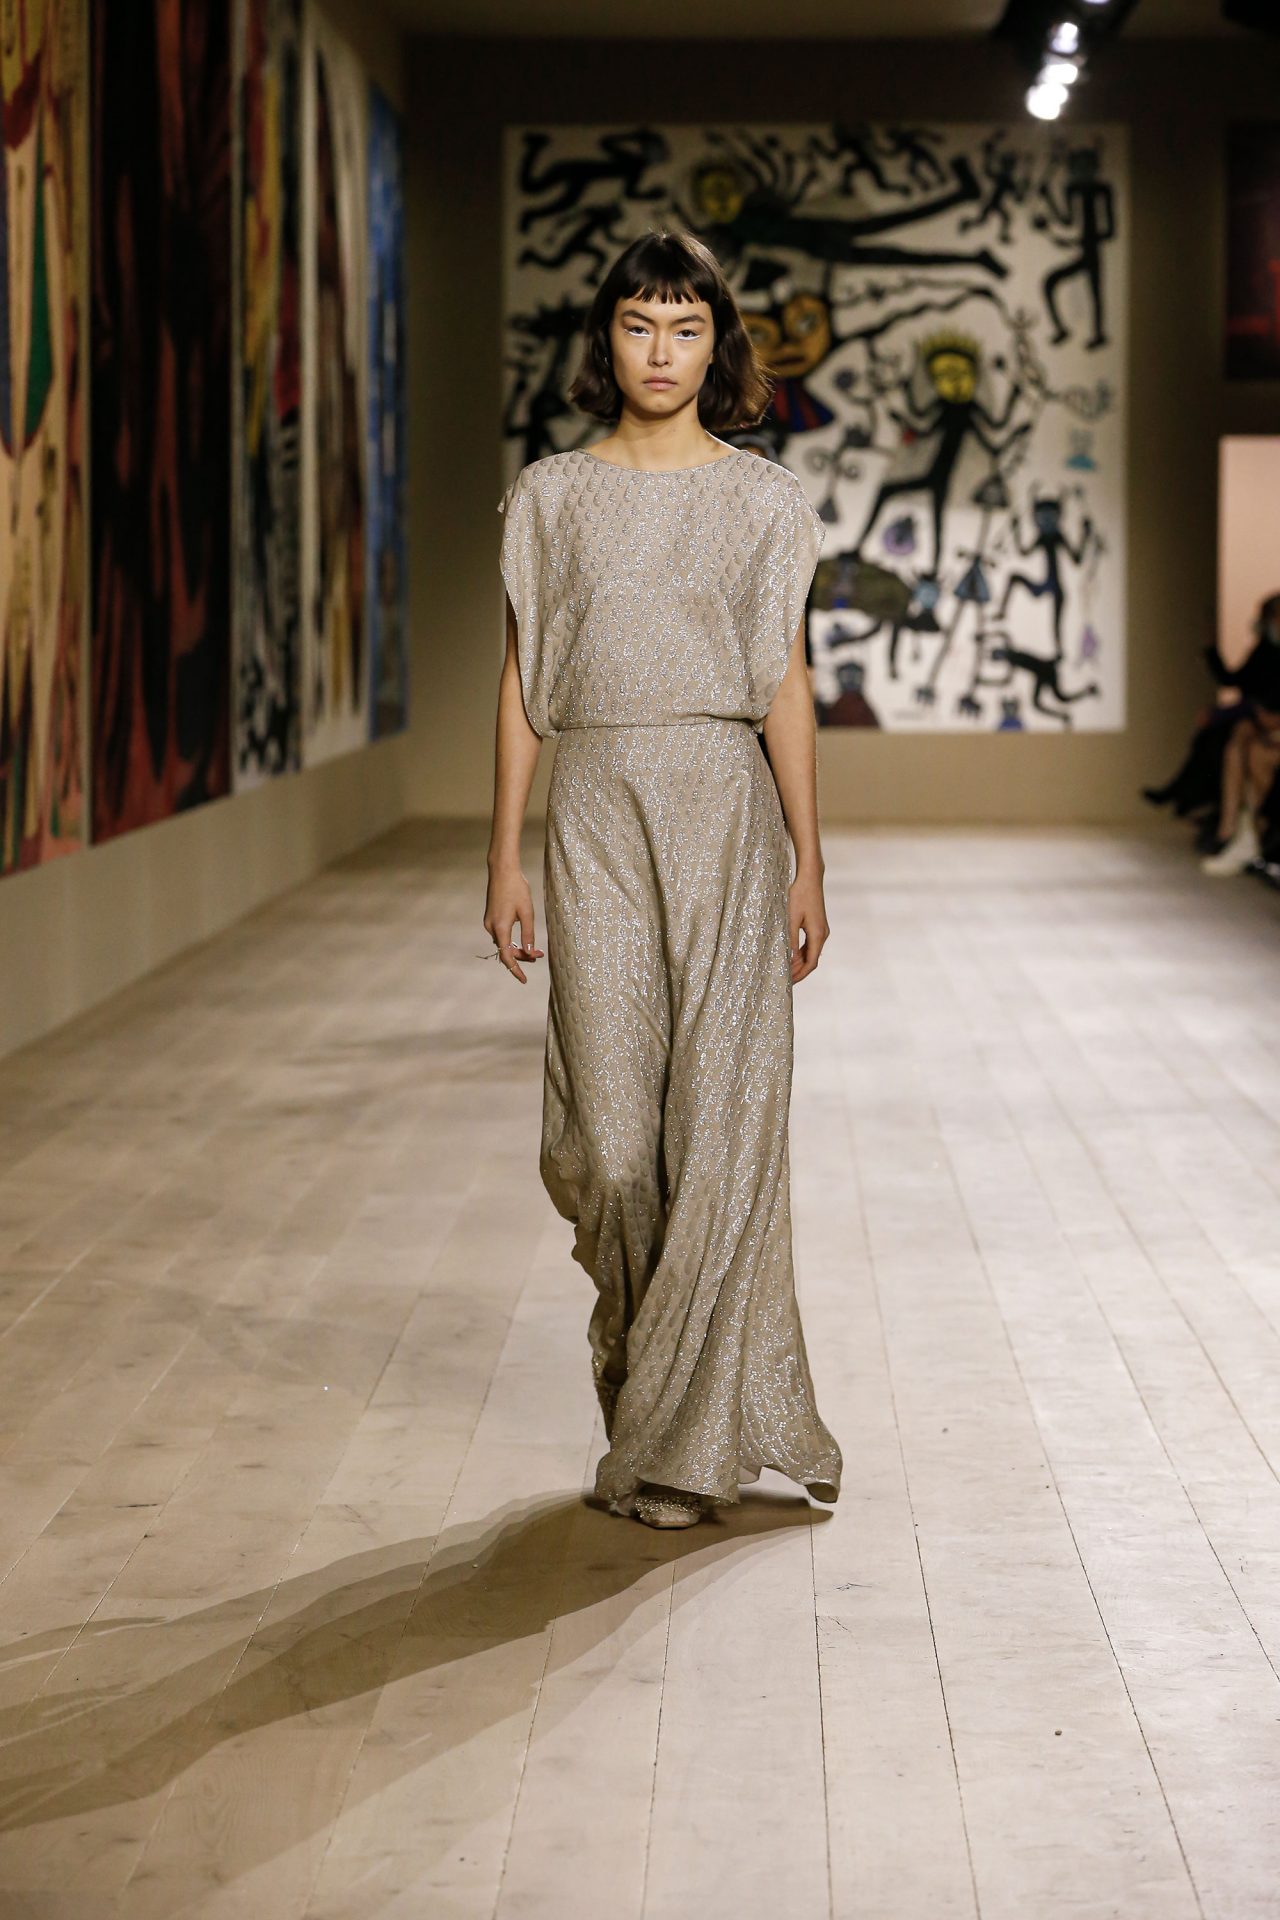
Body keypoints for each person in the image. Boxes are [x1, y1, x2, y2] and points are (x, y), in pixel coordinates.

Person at [484, 228, 843, 1531]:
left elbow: (785, 684)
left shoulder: (764, 500)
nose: (660, 351)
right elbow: (523, 683)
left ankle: (678, 1446)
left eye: (686, 329)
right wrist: (500, 854)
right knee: (614, 1143)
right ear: (607, 339)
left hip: (725, 813)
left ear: (716, 346)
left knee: (721, 1128)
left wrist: (809, 859)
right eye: (638, 325)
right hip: (593, 808)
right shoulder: (550, 496)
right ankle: (649, 1392)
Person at [1201, 592, 1280, 876]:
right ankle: (1242, 831)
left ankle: (1254, 835)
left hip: (1268, 727)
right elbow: (1239, 684)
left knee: (1251, 752)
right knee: (1240, 745)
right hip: (1264, 725)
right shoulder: (1264, 651)